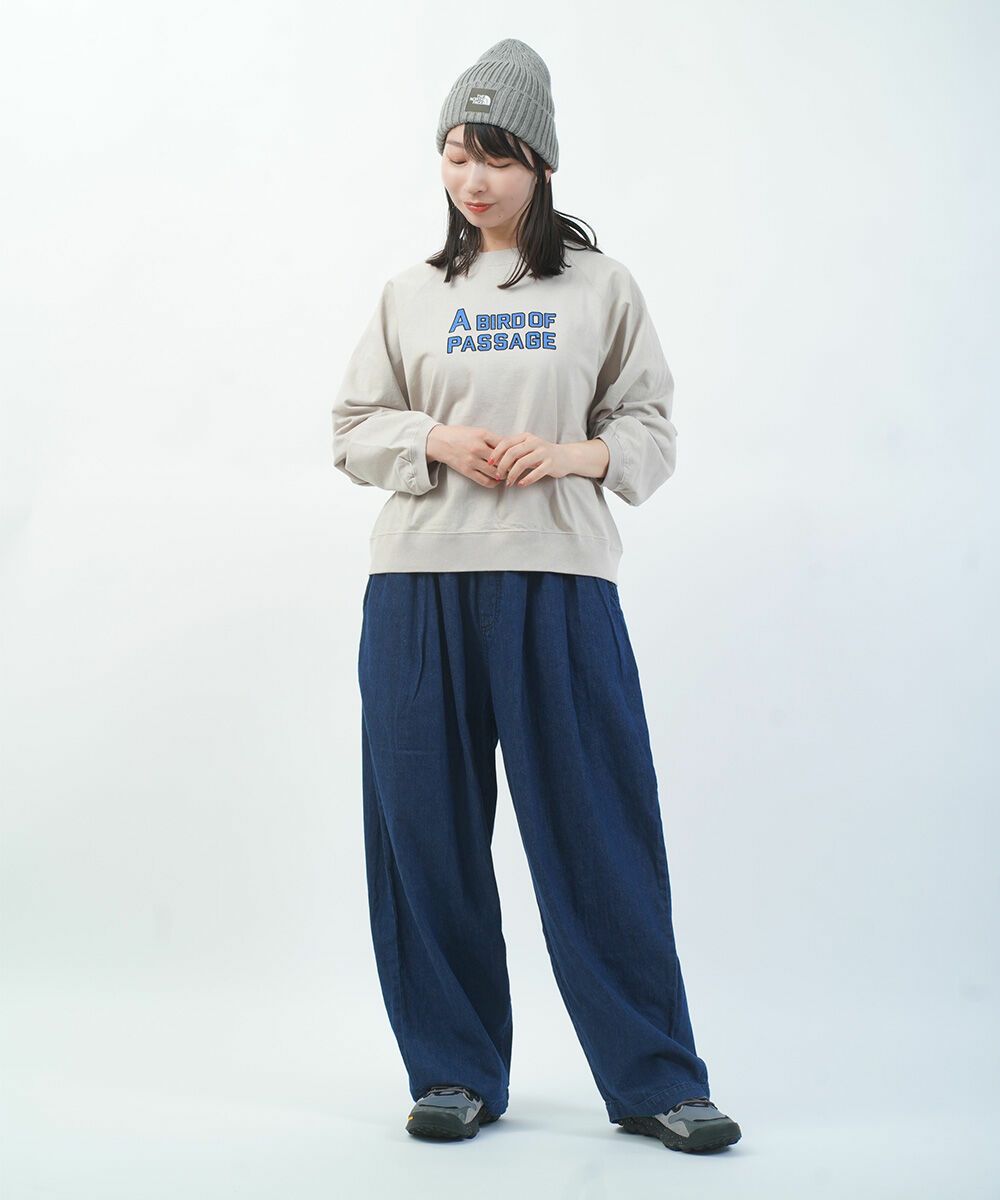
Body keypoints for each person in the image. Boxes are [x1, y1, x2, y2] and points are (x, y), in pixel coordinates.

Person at [331, 37, 742, 1154]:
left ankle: (656, 1078)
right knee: (424, 838)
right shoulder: (410, 294)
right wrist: (434, 440)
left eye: (498, 157)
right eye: (457, 154)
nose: (473, 179)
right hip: (418, 587)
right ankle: (453, 1070)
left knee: (597, 830)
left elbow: (649, 424)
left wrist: (575, 456)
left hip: (558, 581)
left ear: (542, 166)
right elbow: (352, 428)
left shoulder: (600, 287)